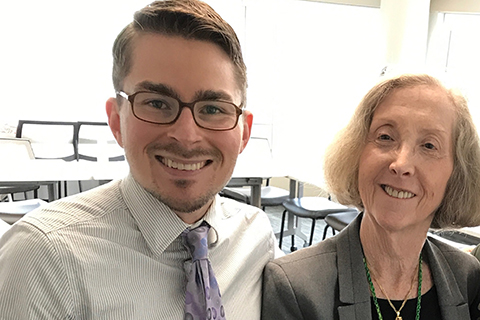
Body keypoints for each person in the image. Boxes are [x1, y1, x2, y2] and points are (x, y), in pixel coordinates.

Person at [0, 1, 281, 319]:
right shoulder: (43, 257)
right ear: (116, 121)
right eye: (157, 103)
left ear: (244, 132)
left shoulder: (256, 238)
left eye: (213, 108)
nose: (186, 135)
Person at [262, 73, 480, 319]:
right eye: (385, 137)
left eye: (429, 145)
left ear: (457, 172)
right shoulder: (296, 287)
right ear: (356, 152)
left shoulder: (467, 277)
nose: (401, 163)